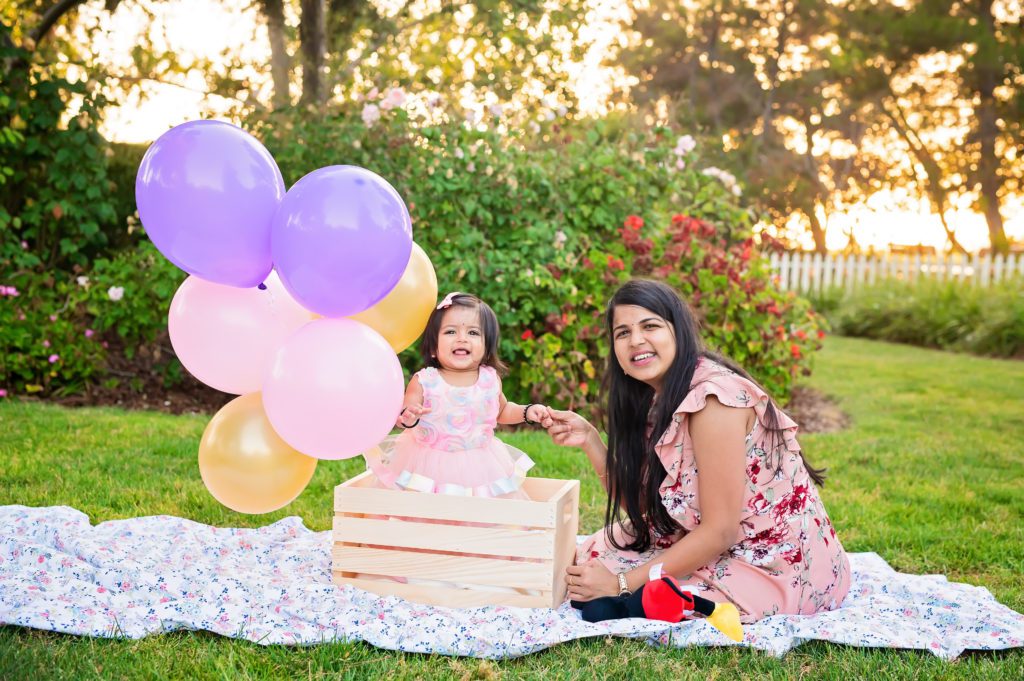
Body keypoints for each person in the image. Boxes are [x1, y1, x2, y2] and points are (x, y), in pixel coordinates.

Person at [540, 279, 850, 622]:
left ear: (679, 331)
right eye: (622, 332)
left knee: (628, 584)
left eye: (650, 326)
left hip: (775, 563)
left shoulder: (714, 401)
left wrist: (621, 584)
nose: (636, 340)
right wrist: (590, 440)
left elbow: (720, 531)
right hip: (716, 542)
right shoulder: (656, 396)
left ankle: (637, 601)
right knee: (595, 554)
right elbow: (648, 511)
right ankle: (641, 596)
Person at [365, 292, 546, 499]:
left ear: (487, 347)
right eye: (451, 332)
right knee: (422, 504)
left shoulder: (490, 380)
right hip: (427, 463)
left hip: (480, 464)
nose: (462, 338)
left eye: (473, 333)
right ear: (433, 347)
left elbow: (502, 410)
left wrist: (527, 412)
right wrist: (409, 416)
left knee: (479, 506)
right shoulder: (425, 381)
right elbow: (407, 412)